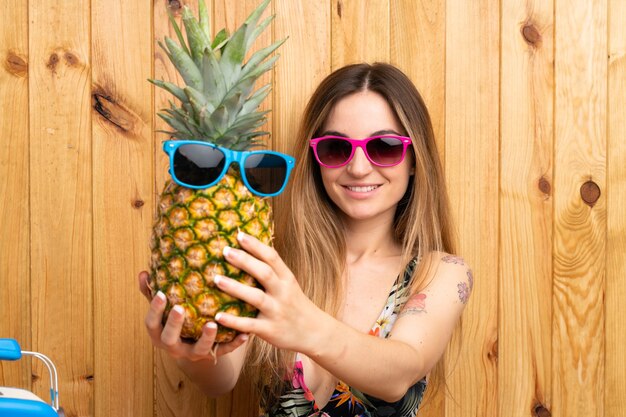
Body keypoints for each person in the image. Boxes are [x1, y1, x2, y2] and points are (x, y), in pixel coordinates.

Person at [138, 62, 473, 417]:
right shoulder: (274, 265)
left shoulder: (440, 273)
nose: (358, 168)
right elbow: (221, 380)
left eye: (384, 146)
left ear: (413, 159)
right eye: (335, 148)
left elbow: (400, 372)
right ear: (316, 160)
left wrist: (305, 325)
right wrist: (192, 349)